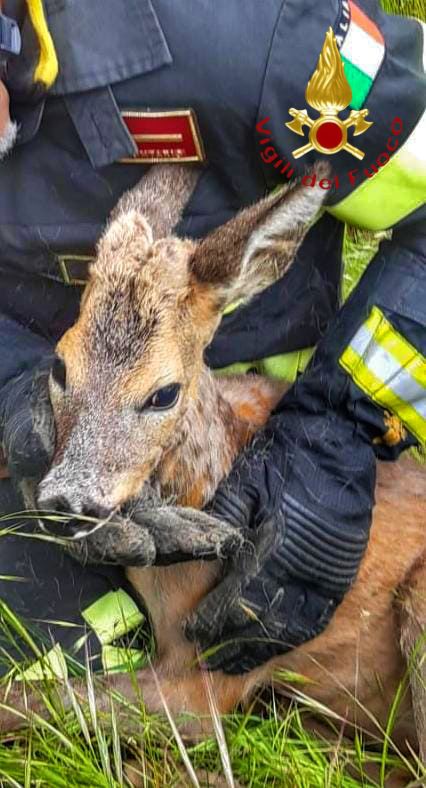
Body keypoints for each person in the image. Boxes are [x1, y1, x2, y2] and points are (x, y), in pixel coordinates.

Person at [0, 0, 424, 678]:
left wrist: (338, 425)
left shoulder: (258, 43)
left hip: (254, 452)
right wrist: (17, 382)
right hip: (77, 438)